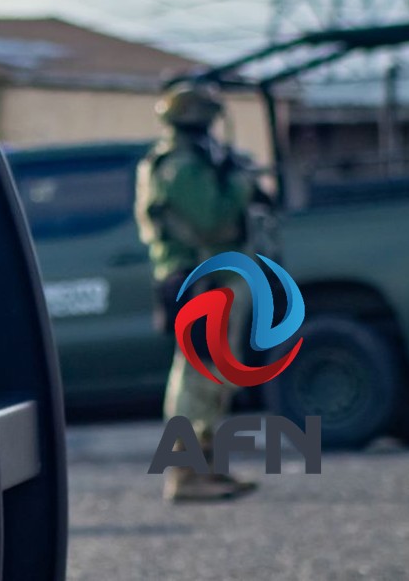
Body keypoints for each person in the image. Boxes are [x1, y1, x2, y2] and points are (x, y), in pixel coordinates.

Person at [133, 81, 258, 503]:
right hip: (199, 278)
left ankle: (207, 466)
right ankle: (185, 473)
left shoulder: (188, 161)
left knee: (215, 377)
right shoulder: (180, 166)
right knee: (198, 378)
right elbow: (212, 221)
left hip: (211, 276)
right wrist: (239, 183)